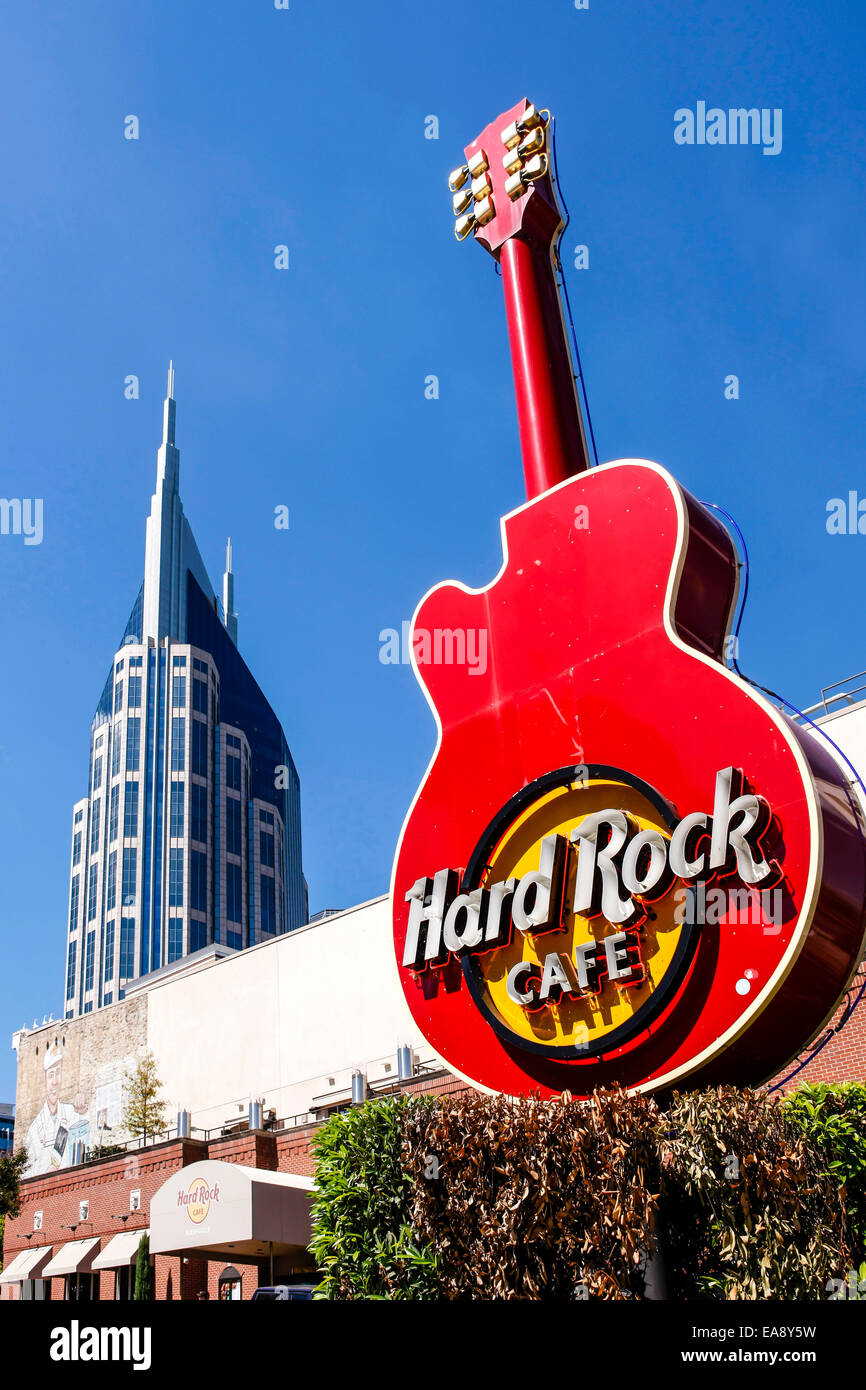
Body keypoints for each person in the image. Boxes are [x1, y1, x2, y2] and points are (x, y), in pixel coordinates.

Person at [24, 1045, 88, 1175]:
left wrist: (83, 1112)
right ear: (44, 1080)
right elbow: (27, 1170)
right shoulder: (34, 1129)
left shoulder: (72, 1113)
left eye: (58, 1073)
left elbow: (87, 1142)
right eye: (51, 1075)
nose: (54, 1081)